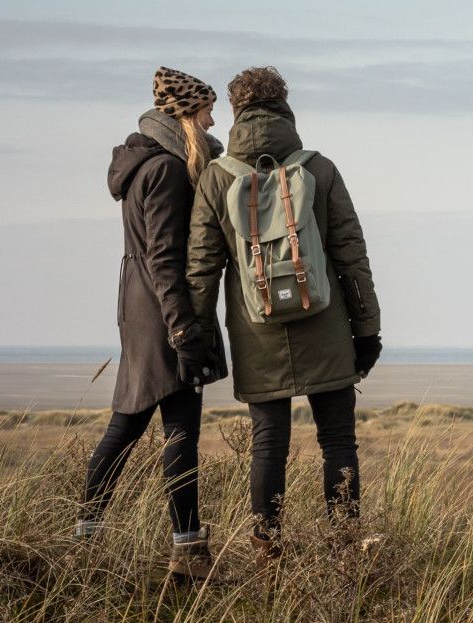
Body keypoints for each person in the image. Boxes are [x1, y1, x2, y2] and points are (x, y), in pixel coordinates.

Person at [186, 66, 383, 557]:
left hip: (257, 332)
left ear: (235, 110)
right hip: (328, 325)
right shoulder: (319, 169)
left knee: (268, 445)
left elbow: (201, 269)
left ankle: (267, 555)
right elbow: (351, 255)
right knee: (338, 441)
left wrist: (198, 340)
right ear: (285, 105)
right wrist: (367, 330)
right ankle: (342, 552)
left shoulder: (216, 177)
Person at [83, 66, 228, 580]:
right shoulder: (166, 170)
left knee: (131, 425)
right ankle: (184, 553)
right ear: (185, 116)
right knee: (172, 433)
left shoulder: (144, 164)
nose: (215, 118)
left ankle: (88, 538)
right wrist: (185, 330)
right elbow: (166, 258)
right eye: (207, 109)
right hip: (167, 314)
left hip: (143, 311)